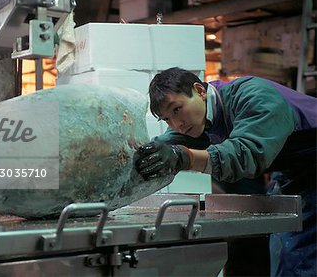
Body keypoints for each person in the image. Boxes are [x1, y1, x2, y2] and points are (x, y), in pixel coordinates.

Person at [135, 67, 316, 277]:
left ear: (199, 91)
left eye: (176, 109)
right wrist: (132, 157)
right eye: (167, 119)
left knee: (298, 256)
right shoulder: (197, 120)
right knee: (278, 248)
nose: (177, 125)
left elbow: (245, 156)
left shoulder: (255, 97)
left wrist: (185, 158)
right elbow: (164, 146)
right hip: (292, 171)